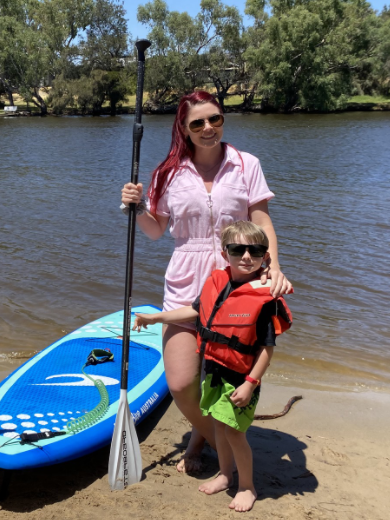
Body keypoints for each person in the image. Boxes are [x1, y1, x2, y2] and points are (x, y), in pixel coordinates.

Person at [121, 90, 292, 474]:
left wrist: (274, 266)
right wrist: (138, 208)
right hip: (186, 278)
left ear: (223, 120)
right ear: (183, 128)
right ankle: (226, 445)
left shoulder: (246, 164)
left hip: (236, 278)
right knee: (181, 382)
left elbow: (262, 222)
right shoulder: (168, 172)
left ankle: (201, 445)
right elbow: (154, 231)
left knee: (221, 373)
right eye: (197, 122)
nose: (207, 128)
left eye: (214, 119)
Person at [133, 221, 291, 512]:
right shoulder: (217, 281)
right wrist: (157, 318)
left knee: (234, 433)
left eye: (255, 250)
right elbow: (196, 310)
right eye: (237, 249)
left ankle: (247, 486)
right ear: (224, 252)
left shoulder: (265, 297)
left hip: (240, 378)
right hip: (214, 370)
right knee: (217, 426)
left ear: (265, 257)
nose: (246, 256)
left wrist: (250, 383)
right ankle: (224, 474)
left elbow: (267, 349)